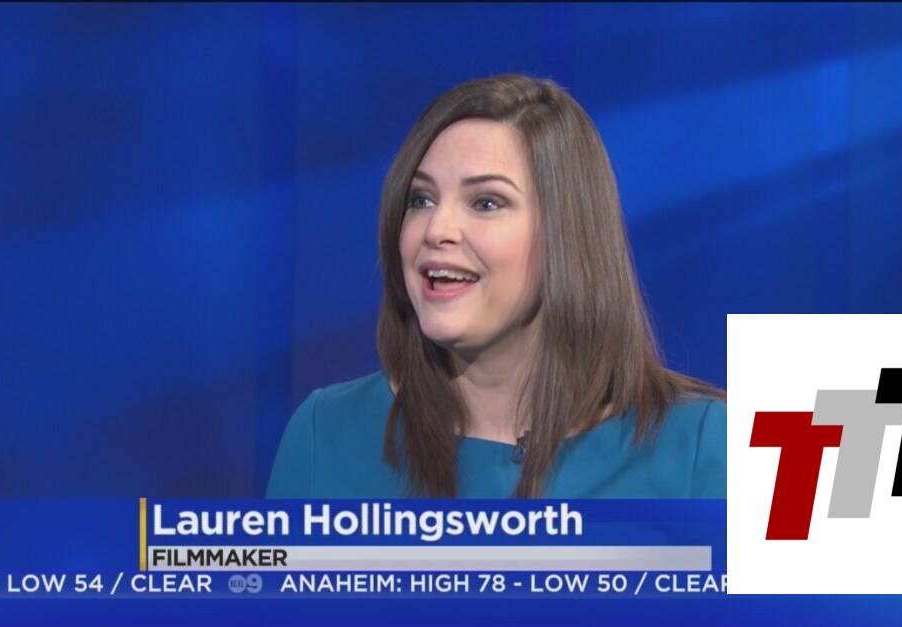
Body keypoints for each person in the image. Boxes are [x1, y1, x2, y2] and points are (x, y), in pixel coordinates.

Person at [268, 74, 726, 499]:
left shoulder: (706, 444)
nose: (437, 229)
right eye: (421, 199)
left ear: (567, 236)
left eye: (486, 202)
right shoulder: (325, 435)